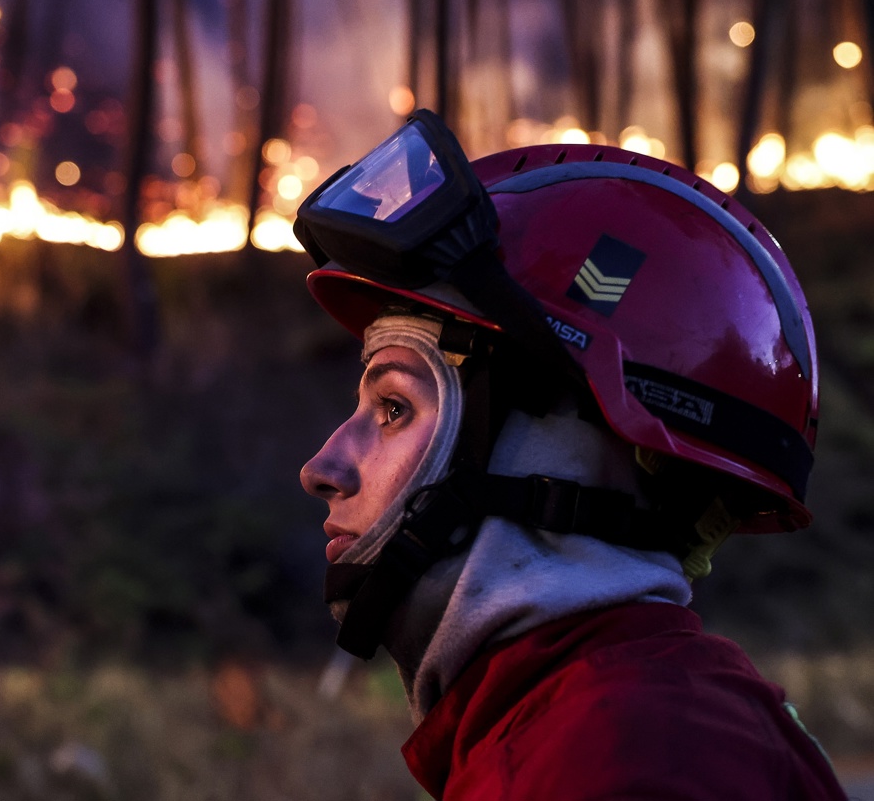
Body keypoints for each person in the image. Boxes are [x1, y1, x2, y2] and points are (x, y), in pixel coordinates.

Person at [294, 110, 848, 800]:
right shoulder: (589, 727)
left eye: (396, 409)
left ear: (565, 452)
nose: (322, 467)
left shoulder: (622, 762)